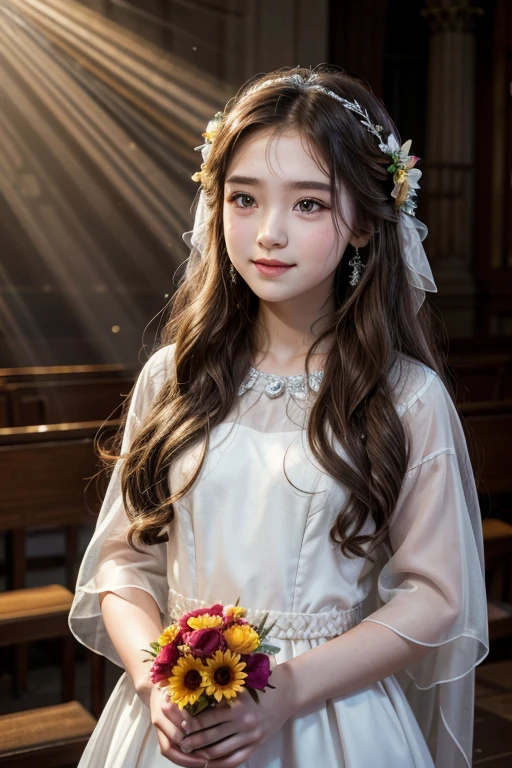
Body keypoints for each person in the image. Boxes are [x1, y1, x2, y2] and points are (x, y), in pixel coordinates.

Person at [69, 65, 489, 768]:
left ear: (362, 224)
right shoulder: (172, 378)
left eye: (309, 205)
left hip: (331, 715)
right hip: (177, 716)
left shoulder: (405, 397)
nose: (268, 233)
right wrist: (152, 685)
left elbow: (436, 596)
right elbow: (122, 561)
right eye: (244, 198)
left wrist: (289, 690)